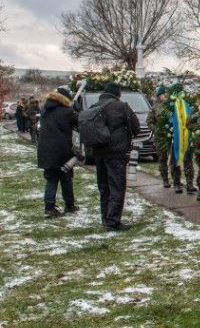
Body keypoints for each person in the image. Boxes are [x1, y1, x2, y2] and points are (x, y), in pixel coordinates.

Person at [90, 82, 140, 231]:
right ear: (117, 93)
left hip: (99, 152)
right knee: (117, 186)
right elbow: (136, 127)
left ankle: (105, 218)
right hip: (116, 152)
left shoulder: (94, 107)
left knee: (104, 186)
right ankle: (113, 222)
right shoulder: (122, 106)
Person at [36, 87, 79, 218]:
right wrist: (76, 108)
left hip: (45, 150)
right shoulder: (67, 111)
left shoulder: (45, 110)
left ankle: (49, 207)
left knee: (51, 179)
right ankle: (69, 205)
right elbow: (79, 121)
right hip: (62, 150)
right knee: (66, 179)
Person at [146, 86, 171, 188]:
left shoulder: (171, 106)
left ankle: (177, 180)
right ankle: (165, 180)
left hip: (171, 137)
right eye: (163, 94)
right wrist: (156, 129)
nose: (165, 96)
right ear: (159, 96)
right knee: (162, 159)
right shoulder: (155, 108)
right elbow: (149, 122)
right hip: (160, 138)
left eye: (166, 94)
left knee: (174, 159)